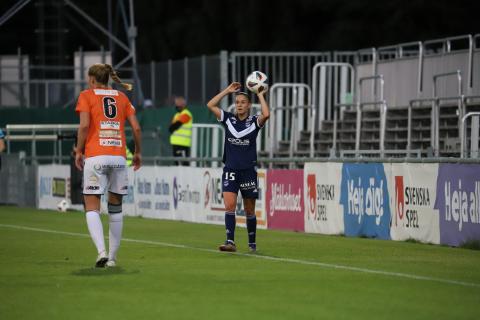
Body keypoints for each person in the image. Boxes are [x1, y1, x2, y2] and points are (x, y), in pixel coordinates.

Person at [74, 63, 142, 268]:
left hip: (96, 156)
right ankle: (112, 258)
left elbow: (85, 125)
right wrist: (138, 152)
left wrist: (79, 150)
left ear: (93, 79)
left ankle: (101, 252)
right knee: (116, 208)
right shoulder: (122, 97)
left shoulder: (86, 95)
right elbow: (137, 128)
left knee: (92, 206)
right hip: (118, 157)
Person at [206, 82, 270, 253]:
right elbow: (210, 104)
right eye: (237, 102)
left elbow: (266, 114)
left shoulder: (254, 122)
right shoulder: (228, 119)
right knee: (230, 206)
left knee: (249, 210)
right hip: (230, 170)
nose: (240, 105)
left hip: (248, 171)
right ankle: (230, 242)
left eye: (243, 102)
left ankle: (252, 244)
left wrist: (260, 94)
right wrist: (227, 91)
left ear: (249, 105)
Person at [169, 96, 192, 166]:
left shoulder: (186, 114)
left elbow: (174, 126)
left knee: (184, 164)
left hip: (183, 144)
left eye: (178, 104)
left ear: (183, 105)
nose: (177, 106)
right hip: (176, 143)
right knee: (177, 163)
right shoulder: (177, 115)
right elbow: (171, 127)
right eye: (176, 104)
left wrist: (172, 126)